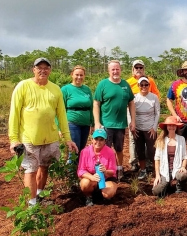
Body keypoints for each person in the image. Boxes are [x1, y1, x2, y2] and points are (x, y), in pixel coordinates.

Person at [8, 57, 78, 206]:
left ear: (50, 70)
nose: (43, 70)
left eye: (46, 68)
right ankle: (32, 205)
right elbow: (14, 114)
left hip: (50, 138)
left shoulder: (55, 89)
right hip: (29, 138)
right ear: (33, 69)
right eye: (39, 67)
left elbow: (62, 116)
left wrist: (67, 138)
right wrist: (13, 139)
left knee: (45, 166)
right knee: (30, 170)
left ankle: (39, 195)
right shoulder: (23, 86)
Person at [93, 60, 136, 181]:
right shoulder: (103, 84)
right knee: (103, 149)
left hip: (120, 124)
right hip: (105, 124)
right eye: (113, 69)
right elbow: (96, 103)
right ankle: (104, 172)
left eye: (117, 69)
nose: (115, 71)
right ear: (109, 71)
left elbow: (131, 103)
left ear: (120, 70)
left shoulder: (125, 85)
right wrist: (97, 122)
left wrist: (133, 121)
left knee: (119, 149)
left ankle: (119, 170)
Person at [126, 59, 161, 172]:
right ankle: (134, 162)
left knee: (150, 145)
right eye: (137, 67)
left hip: (149, 118)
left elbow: (156, 96)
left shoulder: (150, 80)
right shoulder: (128, 82)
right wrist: (131, 123)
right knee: (134, 141)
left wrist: (152, 102)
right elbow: (128, 105)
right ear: (133, 69)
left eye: (141, 67)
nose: (139, 69)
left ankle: (150, 163)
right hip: (135, 119)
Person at [77, 129, 118, 206]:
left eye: (101, 139)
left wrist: (105, 171)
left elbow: (113, 171)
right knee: (85, 184)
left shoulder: (110, 152)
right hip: (92, 179)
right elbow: (81, 171)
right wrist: (91, 177)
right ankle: (89, 197)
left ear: (105, 141)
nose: (98, 142)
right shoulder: (85, 152)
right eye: (96, 139)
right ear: (92, 139)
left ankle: (104, 196)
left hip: (106, 179)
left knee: (108, 193)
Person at [152, 116, 187, 196]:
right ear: (166, 127)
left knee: (183, 176)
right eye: (169, 125)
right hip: (165, 171)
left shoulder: (181, 139)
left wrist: (183, 167)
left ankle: (179, 188)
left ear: (176, 127)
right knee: (156, 191)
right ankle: (168, 184)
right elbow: (157, 159)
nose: (171, 127)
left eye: (173, 125)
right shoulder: (161, 140)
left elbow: (185, 157)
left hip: (177, 170)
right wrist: (157, 175)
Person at [61, 65, 93, 153]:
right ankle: (72, 166)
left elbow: (91, 107)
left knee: (82, 150)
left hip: (85, 124)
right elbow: (60, 109)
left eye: (81, 75)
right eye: (77, 75)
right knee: (74, 149)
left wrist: (92, 123)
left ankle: (80, 166)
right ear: (72, 75)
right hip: (72, 123)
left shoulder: (87, 89)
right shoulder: (65, 89)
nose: (79, 77)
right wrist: (60, 128)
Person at [133, 77, 160, 180]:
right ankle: (143, 170)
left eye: (146, 85)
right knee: (139, 150)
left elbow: (157, 113)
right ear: (138, 86)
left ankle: (156, 170)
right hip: (138, 129)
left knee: (152, 150)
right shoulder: (135, 98)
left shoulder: (154, 97)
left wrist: (154, 127)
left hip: (150, 129)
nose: (144, 87)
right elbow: (130, 113)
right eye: (142, 85)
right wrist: (132, 125)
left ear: (149, 85)